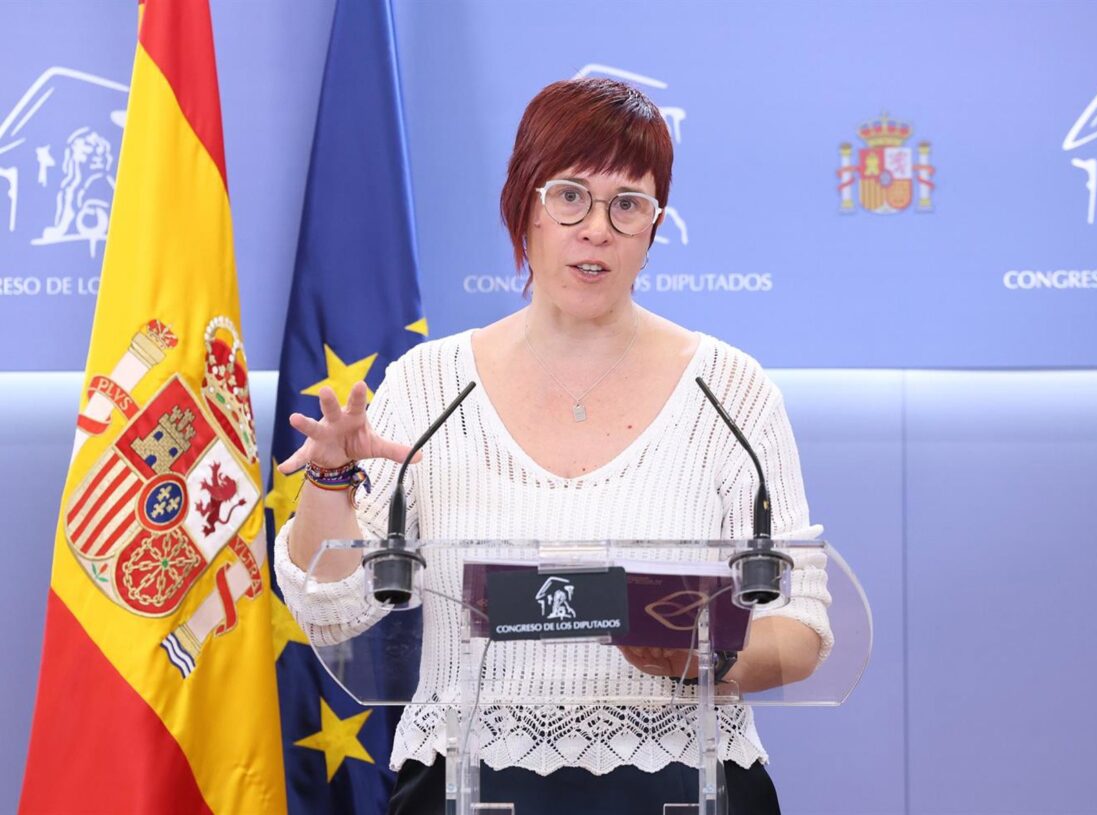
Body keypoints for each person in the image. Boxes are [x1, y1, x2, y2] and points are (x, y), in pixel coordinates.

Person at [276, 77, 831, 815]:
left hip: (686, 785)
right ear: (524, 207)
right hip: (466, 786)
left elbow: (802, 626)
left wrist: (703, 657)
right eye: (570, 196)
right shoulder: (429, 386)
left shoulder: (730, 392)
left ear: (654, 226)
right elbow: (332, 612)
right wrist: (331, 478)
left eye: (627, 204)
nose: (596, 228)